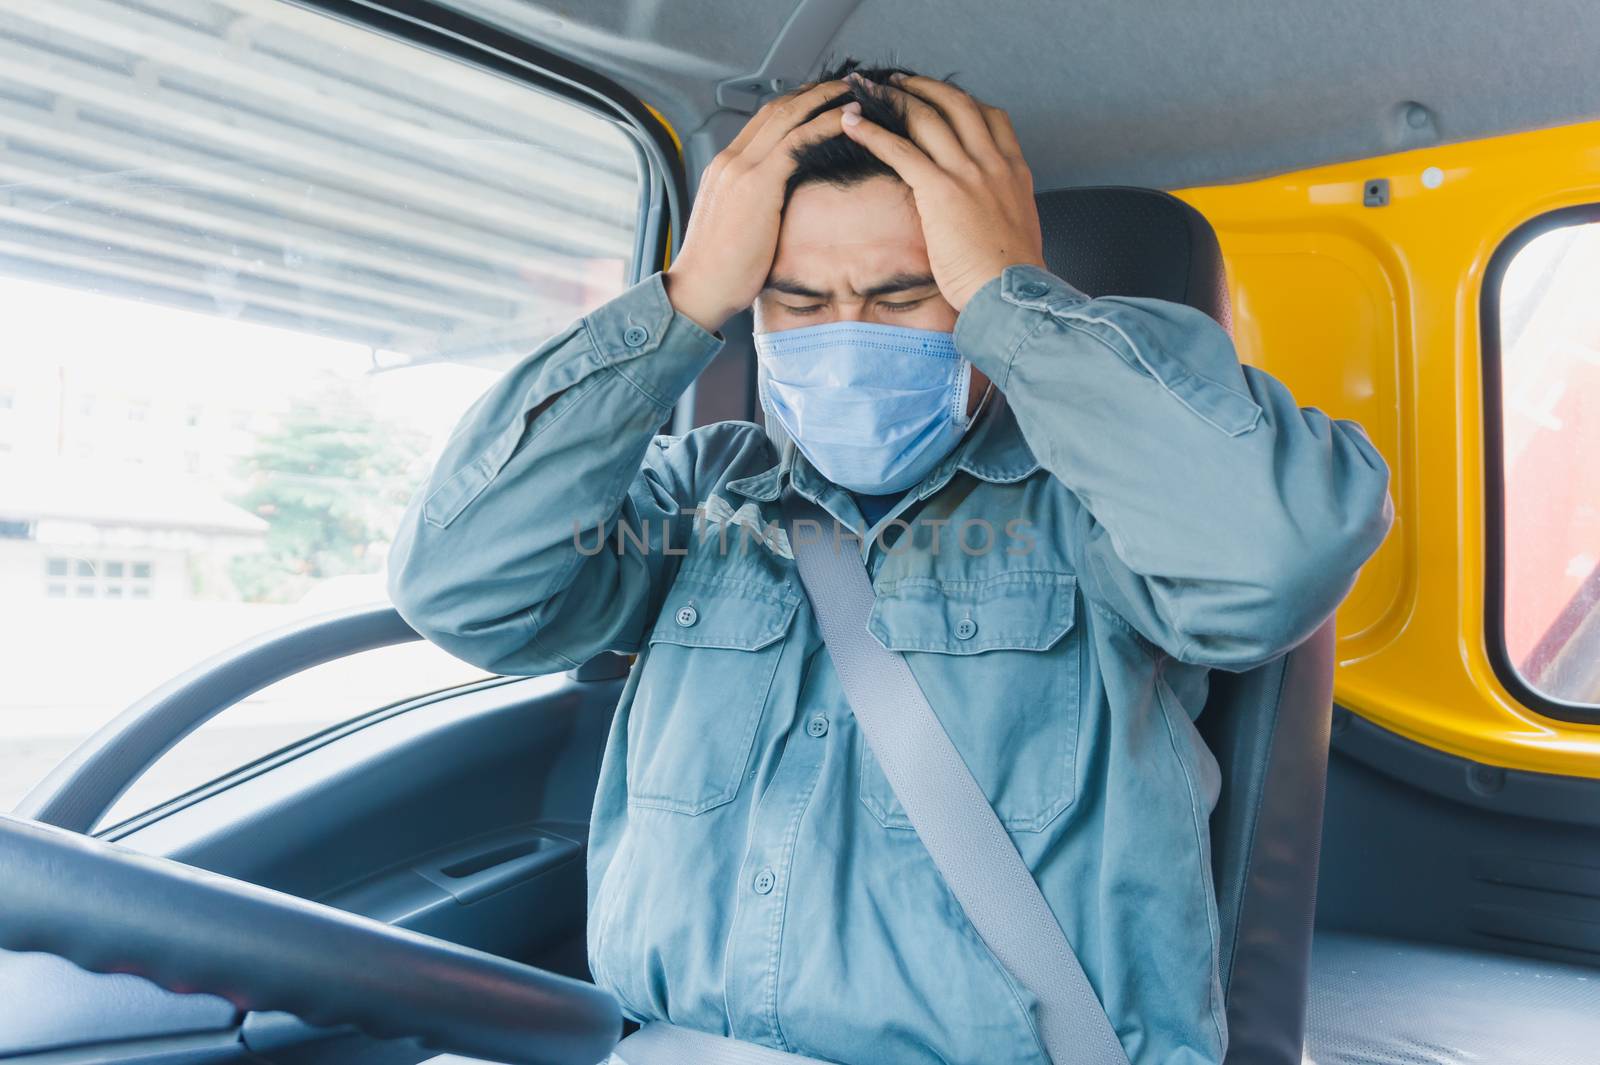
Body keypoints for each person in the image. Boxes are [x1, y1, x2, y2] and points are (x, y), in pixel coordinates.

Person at [386, 58, 1393, 1065]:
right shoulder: (702, 497)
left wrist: (1014, 299)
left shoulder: (1102, 510)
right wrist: (687, 297)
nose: (847, 337)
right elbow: (462, 589)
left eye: (905, 295)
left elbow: (1274, 560)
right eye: (796, 301)